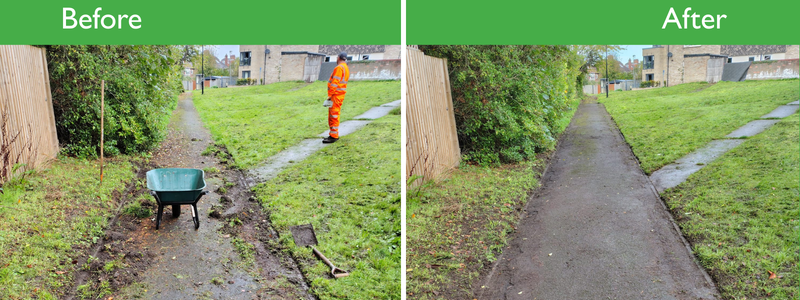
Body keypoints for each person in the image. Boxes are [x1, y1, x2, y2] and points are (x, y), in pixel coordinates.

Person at [323, 52, 350, 143]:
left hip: (336, 95)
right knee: (334, 114)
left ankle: (334, 136)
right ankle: (333, 134)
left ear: (338, 58)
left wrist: (330, 95)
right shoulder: (345, 67)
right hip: (340, 94)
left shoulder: (339, 68)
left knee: (333, 115)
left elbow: (335, 82)